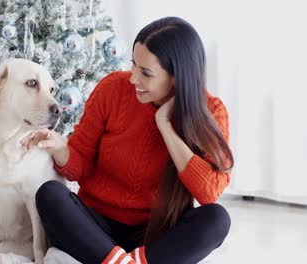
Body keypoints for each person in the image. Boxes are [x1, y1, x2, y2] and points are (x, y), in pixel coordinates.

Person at [21, 16, 234, 264]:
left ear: (177, 77)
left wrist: (165, 126)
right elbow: (79, 166)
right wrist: (60, 147)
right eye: (134, 65)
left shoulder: (211, 111)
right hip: (94, 228)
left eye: (146, 73)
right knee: (50, 194)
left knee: (217, 219)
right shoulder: (113, 89)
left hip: (154, 236)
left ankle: (118, 260)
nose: (133, 78)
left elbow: (209, 192)